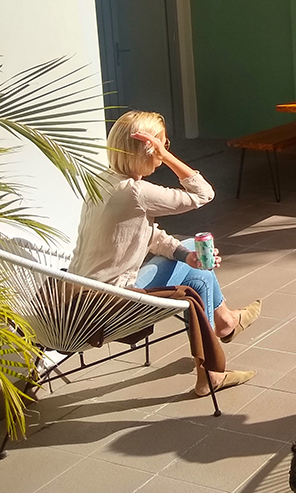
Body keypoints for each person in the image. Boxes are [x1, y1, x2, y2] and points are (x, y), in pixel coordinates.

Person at [70, 110, 261, 397]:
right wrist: (168, 157)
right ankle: (220, 338)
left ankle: (219, 341)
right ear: (148, 149)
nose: (165, 149)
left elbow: (147, 235)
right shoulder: (135, 192)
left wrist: (185, 257)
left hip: (83, 296)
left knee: (195, 269)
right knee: (197, 267)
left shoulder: (101, 181)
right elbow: (203, 194)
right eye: (162, 144)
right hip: (112, 304)